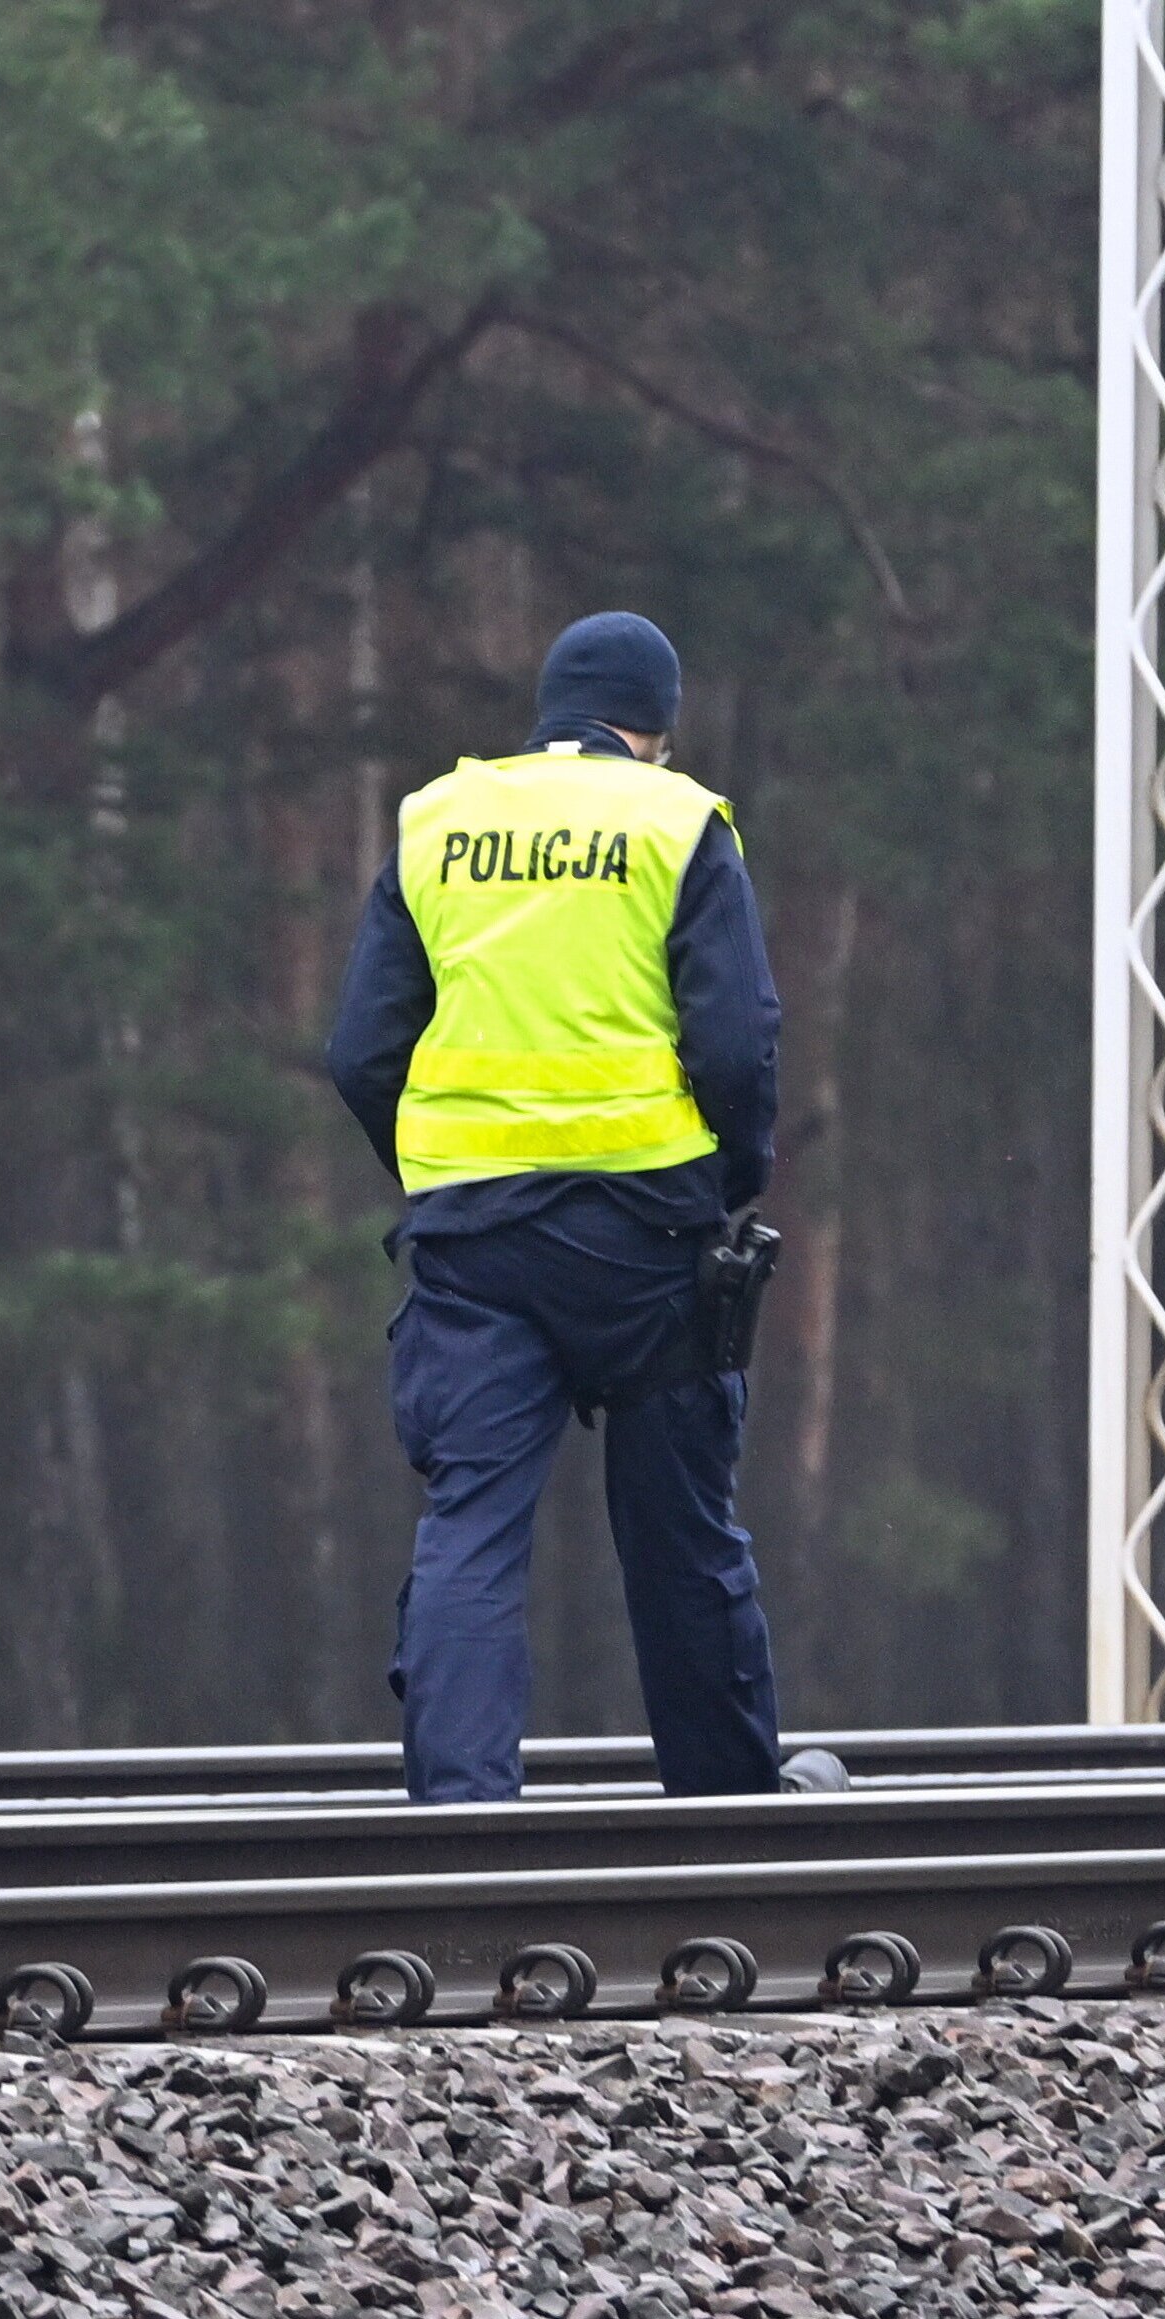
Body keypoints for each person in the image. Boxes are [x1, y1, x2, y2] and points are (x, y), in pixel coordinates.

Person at [324, 613, 830, 1803]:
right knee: (680, 1535)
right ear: (653, 724)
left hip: (477, 1242)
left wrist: (442, 1169)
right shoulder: (675, 823)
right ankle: (724, 1810)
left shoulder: (439, 822)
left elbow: (359, 1051)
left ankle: (463, 1825)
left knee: (472, 1526)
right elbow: (737, 1040)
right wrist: (728, 1182)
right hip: (651, 1239)